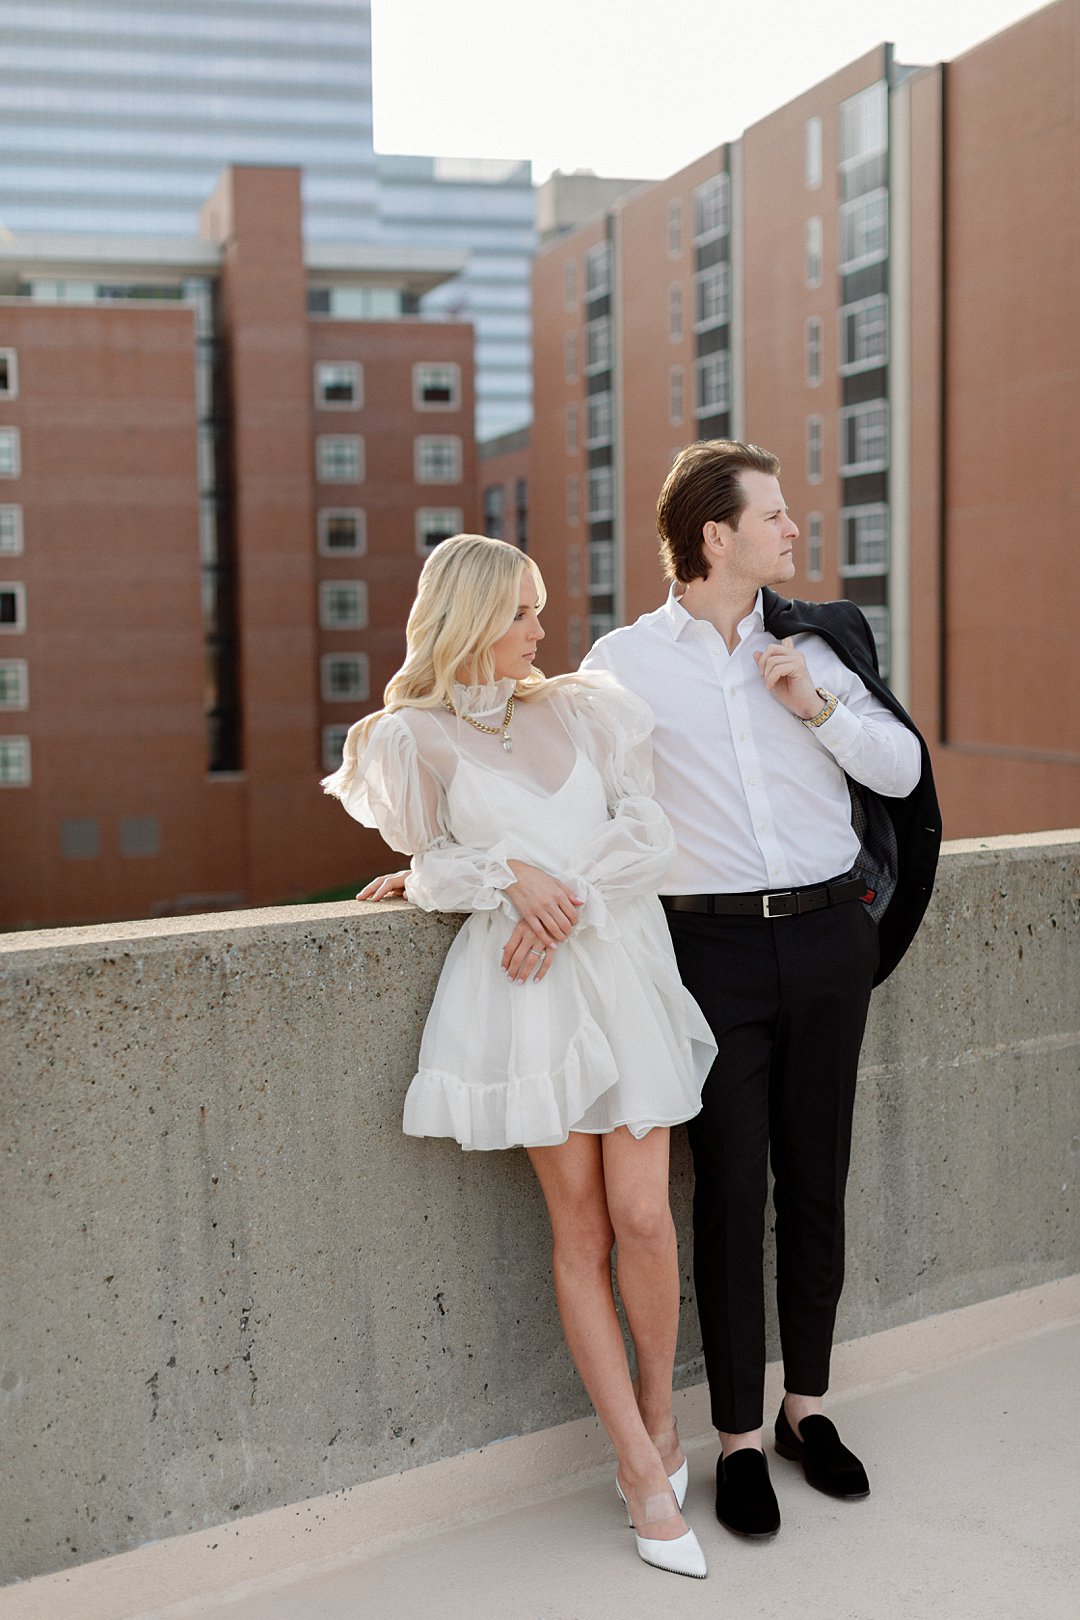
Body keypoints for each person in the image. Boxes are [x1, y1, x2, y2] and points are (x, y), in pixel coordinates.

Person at [323, 533, 716, 1580]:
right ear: (469, 618)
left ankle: (661, 1416)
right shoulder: (409, 737)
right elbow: (432, 860)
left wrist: (557, 896)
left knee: (644, 1215)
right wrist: (504, 876)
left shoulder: (584, 709)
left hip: (618, 970)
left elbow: (650, 832)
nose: (542, 630)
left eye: (539, 609)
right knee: (580, 1228)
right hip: (527, 996)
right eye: (521, 613)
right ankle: (638, 1468)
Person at [582, 439, 941, 1539]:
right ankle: (738, 1437)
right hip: (709, 952)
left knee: (818, 1178)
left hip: (831, 936)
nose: (792, 528)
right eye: (773, 514)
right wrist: (462, 867)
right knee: (733, 1192)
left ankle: (806, 1411)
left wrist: (816, 708)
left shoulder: (817, 643)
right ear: (715, 535)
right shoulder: (622, 664)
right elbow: (571, 792)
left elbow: (904, 769)